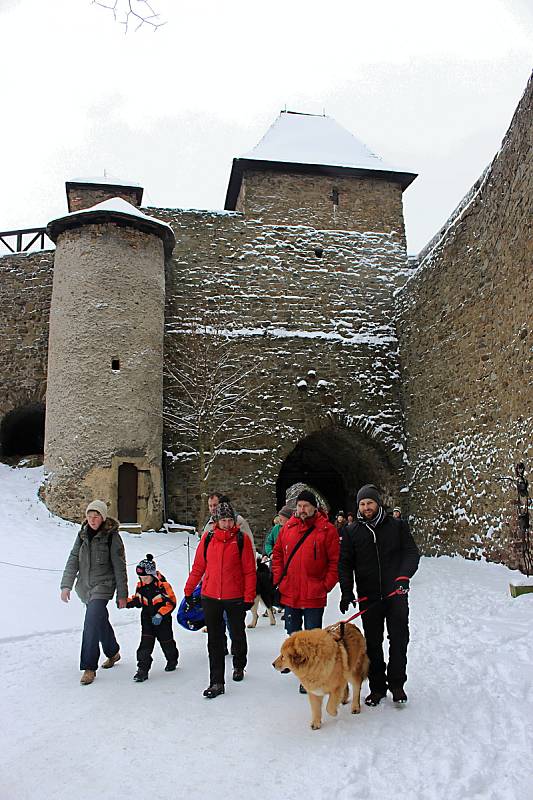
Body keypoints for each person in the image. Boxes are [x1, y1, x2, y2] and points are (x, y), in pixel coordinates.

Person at [338, 484, 420, 706]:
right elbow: (345, 564)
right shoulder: (351, 532)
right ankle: (377, 687)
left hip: (396, 594)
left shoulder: (397, 526)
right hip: (369, 597)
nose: (366, 507)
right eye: (362, 504)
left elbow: (412, 552)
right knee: (373, 643)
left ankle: (397, 684)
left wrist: (404, 576)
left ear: (378, 503)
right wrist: (346, 592)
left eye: (370, 503)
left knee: (399, 639)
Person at [184, 500, 256, 698]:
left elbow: (249, 571)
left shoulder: (242, 540)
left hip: (234, 596)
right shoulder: (208, 538)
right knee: (214, 640)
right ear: (216, 521)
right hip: (210, 596)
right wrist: (189, 590)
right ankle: (216, 681)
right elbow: (199, 566)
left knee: (237, 633)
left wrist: (249, 596)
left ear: (234, 521)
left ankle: (239, 664)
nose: (226, 524)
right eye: (223, 520)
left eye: (229, 520)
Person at [60, 500, 128, 685]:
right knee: (99, 619)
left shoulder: (112, 536)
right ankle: (113, 652)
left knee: (90, 621)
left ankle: (89, 667)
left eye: (96, 516)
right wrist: (66, 585)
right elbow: (73, 559)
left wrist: (122, 594)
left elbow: (120, 566)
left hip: (104, 585)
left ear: (103, 517)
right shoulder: (82, 535)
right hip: (86, 587)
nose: (92, 519)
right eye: (89, 516)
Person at [271, 489, 339, 639]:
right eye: (299, 506)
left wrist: (325, 585)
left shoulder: (327, 530)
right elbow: (277, 555)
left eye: (306, 505)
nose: (302, 509)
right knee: (293, 639)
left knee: (313, 641)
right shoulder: (288, 528)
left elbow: (335, 562)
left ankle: (313, 664)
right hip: (290, 593)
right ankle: (294, 664)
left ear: (314, 507)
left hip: (313, 595)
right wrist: (280, 580)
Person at [126, 553, 180, 682]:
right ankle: (142, 670)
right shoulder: (141, 586)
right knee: (145, 645)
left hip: (163, 620)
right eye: (140, 577)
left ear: (152, 575)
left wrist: (160, 614)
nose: (142, 580)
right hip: (147, 620)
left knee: (167, 642)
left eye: (145, 577)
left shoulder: (163, 586)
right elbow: (138, 601)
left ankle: (172, 660)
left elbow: (171, 602)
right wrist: (127, 602)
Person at [204, 492, 256, 557]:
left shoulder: (238, 521)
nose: (212, 508)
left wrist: (252, 566)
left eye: (215, 505)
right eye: (210, 506)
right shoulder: (209, 525)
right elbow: (203, 550)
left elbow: (250, 547)